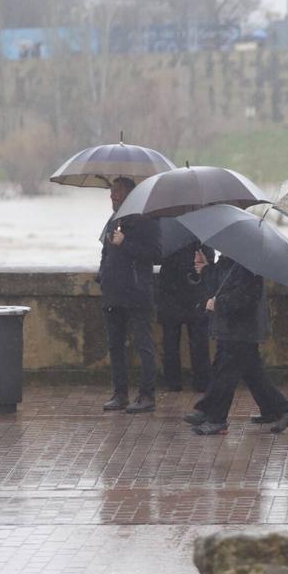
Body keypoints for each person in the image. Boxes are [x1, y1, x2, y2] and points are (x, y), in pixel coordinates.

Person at [183, 251, 288, 435]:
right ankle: (280, 409)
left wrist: (218, 304)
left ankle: (216, 418)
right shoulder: (230, 260)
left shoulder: (248, 265)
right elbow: (220, 284)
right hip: (232, 329)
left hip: (240, 330)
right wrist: (205, 269)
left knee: (225, 373)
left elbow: (246, 298)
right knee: (252, 373)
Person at [99, 177, 162, 413]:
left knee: (143, 344)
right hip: (113, 291)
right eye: (112, 192)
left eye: (117, 192)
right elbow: (106, 252)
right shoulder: (113, 220)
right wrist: (102, 276)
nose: (112, 196)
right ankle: (120, 393)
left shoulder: (147, 219)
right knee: (115, 346)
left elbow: (156, 254)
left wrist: (125, 243)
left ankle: (147, 395)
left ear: (129, 195)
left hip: (137, 292)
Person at [156, 240, 215, 392]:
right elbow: (209, 258)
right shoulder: (200, 229)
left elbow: (157, 256)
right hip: (192, 290)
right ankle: (200, 382)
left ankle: (173, 382)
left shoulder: (167, 232)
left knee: (172, 341)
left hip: (173, 291)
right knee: (197, 341)